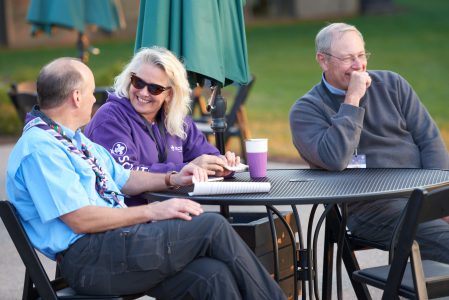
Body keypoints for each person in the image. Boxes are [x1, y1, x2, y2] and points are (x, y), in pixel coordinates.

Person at [6, 57, 286, 300]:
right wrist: (153, 210)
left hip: (115, 246)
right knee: (211, 226)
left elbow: (125, 178)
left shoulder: (74, 140)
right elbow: (80, 219)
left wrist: (175, 178)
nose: (95, 99)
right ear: (76, 97)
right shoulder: (41, 149)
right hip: (91, 259)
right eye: (92, 92)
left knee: (211, 275)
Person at [289, 22, 449, 263]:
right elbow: (335, 158)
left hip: (423, 195)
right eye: (347, 58)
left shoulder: (392, 84)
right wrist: (351, 100)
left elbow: (430, 141)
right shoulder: (306, 110)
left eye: (361, 55)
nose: (358, 65)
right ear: (323, 60)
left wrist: (441, 199)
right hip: (371, 208)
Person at [84, 47, 239, 182]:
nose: (143, 92)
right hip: (128, 212)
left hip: (174, 209)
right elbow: (125, 176)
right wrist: (186, 169)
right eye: (138, 82)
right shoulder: (110, 118)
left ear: (170, 94)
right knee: (214, 218)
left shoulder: (177, 119)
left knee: (215, 218)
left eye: (154, 88)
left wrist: (223, 164)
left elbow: (207, 156)